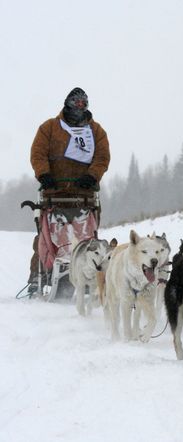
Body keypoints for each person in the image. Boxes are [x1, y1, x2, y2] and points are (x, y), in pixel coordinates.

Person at [27, 87, 110, 294]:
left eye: (84, 104)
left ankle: (92, 276)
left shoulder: (96, 131)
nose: (80, 107)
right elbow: (38, 153)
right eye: (77, 103)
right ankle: (38, 277)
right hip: (54, 193)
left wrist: (92, 176)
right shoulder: (50, 128)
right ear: (68, 104)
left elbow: (102, 157)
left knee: (88, 237)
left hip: (84, 194)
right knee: (45, 237)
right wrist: (44, 174)